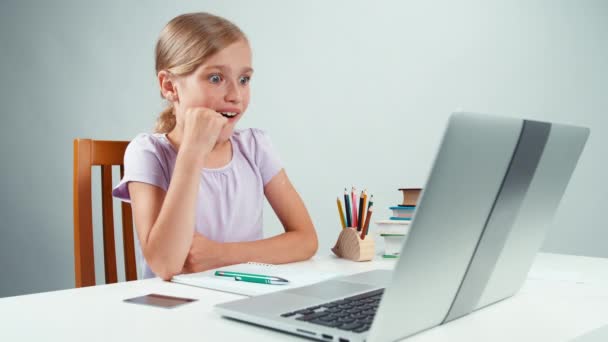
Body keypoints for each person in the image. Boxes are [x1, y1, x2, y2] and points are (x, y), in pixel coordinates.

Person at [113, 12, 318, 280]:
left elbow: (306, 240)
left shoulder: (255, 147)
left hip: (243, 300)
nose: (235, 96)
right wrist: (192, 152)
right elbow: (165, 264)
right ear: (169, 86)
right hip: (175, 310)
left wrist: (221, 255)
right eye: (215, 78)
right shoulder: (148, 154)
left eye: (244, 80)